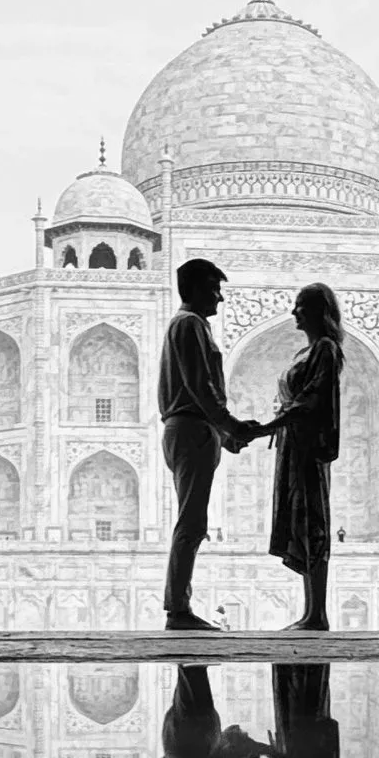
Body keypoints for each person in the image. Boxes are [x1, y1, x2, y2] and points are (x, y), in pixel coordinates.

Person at [158, 257, 257, 630]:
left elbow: (196, 388)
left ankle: (178, 606)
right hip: (192, 429)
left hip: (193, 429)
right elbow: (201, 386)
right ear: (198, 289)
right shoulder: (190, 324)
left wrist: (226, 434)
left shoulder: (187, 326)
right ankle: (178, 610)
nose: (219, 299)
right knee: (191, 521)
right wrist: (228, 424)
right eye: (215, 290)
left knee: (193, 520)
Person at [245, 282, 342, 631]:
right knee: (302, 524)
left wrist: (265, 428)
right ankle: (310, 612)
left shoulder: (326, 350)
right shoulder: (309, 352)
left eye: (300, 305)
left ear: (318, 310)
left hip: (309, 449)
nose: (294, 312)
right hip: (294, 446)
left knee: (313, 525)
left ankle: (318, 614)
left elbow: (310, 402)